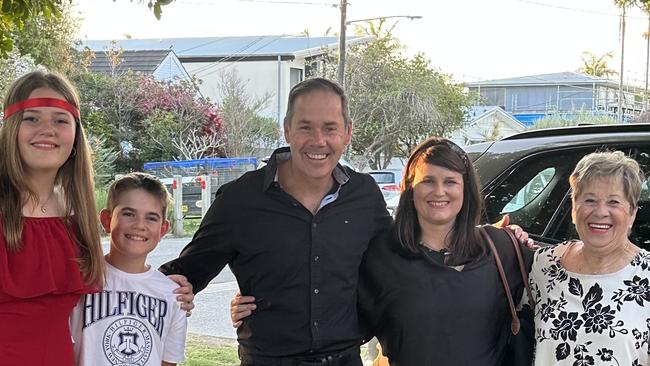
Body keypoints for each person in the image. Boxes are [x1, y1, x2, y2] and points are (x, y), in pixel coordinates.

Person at [160, 77, 392, 365]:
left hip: (344, 358)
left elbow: (393, 270)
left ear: (347, 132)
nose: (318, 140)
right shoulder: (240, 200)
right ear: (287, 131)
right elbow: (180, 276)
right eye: (305, 127)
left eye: (330, 128)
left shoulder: (364, 196)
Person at [0, 71, 104, 365]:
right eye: (31, 118)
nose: (47, 129)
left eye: (60, 120)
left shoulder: (77, 217)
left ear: (74, 136)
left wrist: (173, 286)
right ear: (11, 130)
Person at [529, 151, 650, 365]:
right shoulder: (544, 265)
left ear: (632, 214)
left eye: (613, 202)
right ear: (574, 209)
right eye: (590, 200)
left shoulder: (647, 274)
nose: (601, 211)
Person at [70, 172, 187, 366]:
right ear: (107, 220)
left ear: (163, 229)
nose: (139, 225)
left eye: (151, 218)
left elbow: (168, 361)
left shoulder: (173, 294)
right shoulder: (80, 278)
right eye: (128, 214)